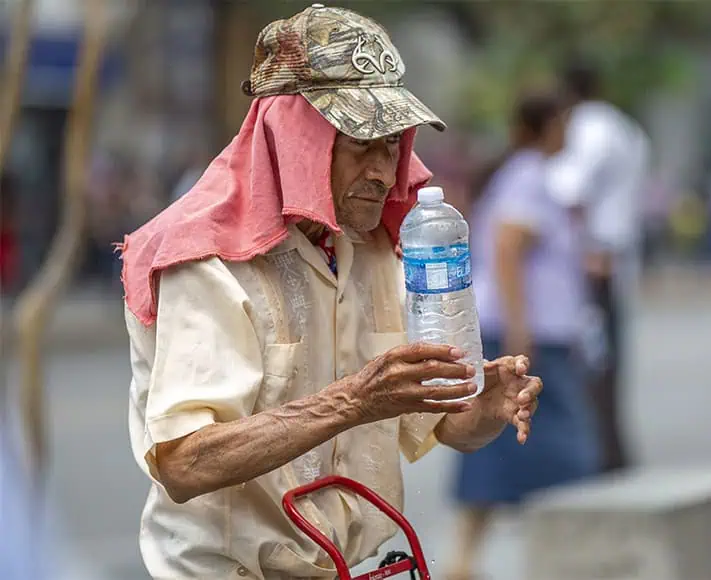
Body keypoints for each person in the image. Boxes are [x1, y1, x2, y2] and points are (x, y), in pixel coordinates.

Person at [120, 6, 542, 579]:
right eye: (360, 144)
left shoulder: (370, 249)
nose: (383, 170)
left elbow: (439, 425)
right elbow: (184, 462)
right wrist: (352, 401)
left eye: (392, 145)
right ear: (296, 140)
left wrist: (484, 408)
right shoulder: (205, 261)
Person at [446, 92, 600, 580]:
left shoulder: (523, 174)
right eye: (564, 122)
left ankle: (468, 557)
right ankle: (569, 558)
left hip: (530, 332)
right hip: (527, 337)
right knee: (566, 450)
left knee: (501, 444)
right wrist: (520, 328)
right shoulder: (530, 176)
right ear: (548, 124)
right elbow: (508, 247)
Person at [546, 61, 650, 472]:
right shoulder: (624, 127)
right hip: (614, 257)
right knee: (607, 362)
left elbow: (568, 189)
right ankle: (611, 452)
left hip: (592, 261)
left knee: (590, 366)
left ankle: (598, 456)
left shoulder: (590, 127)